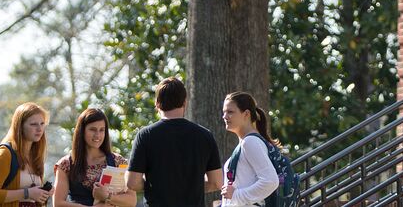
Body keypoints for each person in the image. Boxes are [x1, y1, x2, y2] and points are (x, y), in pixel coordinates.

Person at [126, 77, 222, 207]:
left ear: (157, 103)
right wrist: (190, 186)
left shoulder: (145, 135)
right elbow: (216, 182)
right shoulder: (205, 136)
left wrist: (158, 185)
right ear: (184, 102)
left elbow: (132, 182)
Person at [52, 108, 137, 207]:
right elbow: (58, 204)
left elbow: (131, 201)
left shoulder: (118, 162)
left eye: (102, 130)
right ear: (81, 131)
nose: (98, 135)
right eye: (92, 129)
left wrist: (107, 196)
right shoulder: (65, 164)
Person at [0, 102, 53, 205]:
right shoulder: (5, 154)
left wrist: (44, 193)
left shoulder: (35, 155)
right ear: (20, 126)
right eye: (33, 124)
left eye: (42, 124)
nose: (39, 129)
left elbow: (34, 200)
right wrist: (27, 193)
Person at [219, 93, 281, 207]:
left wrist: (236, 195)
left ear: (246, 114)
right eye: (224, 112)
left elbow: (271, 181)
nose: (225, 116)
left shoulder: (250, 142)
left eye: (230, 112)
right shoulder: (248, 142)